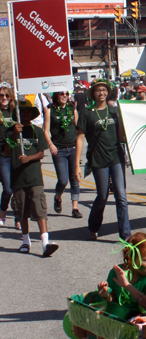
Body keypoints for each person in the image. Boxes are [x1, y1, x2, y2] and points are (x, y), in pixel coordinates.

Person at [75, 78, 131, 240]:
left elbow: (121, 137)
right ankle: (93, 226)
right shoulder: (87, 113)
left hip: (116, 157)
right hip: (98, 159)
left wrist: (120, 119)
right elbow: (80, 138)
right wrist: (77, 164)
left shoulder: (114, 111)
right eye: (98, 90)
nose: (102, 93)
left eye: (104, 90)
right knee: (102, 195)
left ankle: (125, 235)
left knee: (121, 196)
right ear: (93, 93)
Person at [4, 99, 59, 256]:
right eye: (22, 112)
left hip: (34, 176)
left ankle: (45, 242)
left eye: (28, 111)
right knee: (22, 210)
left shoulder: (37, 131)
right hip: (18, 177)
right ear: (18, 115)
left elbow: (41, 152)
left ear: (32, 114)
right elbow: (7, 151)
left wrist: (29, 158)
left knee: (39, 207)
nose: (25, 114)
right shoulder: (11, 131)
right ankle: (25, 241)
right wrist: (15, 133)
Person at [98, 231, 146, 313]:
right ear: (131, 258)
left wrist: (128, 286)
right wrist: (106, 296)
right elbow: (115, 298)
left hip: (141, 320)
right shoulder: (117, 273)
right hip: (122, 318)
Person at [43, 91, 82, 219]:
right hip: (58, 149)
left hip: (72, 148)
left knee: (75, 179)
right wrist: (50, 144)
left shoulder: (72, 109)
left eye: (66, 93)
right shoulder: (50, 110)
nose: (64, 96)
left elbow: (78, 129)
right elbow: (46, 130)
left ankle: (75, 208)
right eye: (61, 94)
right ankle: (58, 197)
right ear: (56, 96)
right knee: (63, 180)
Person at [0, 86, 21, 229]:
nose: (4, 99)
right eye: (1, 96)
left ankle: (18, 218)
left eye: (7, 96)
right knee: (8, 189)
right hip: (2, 155)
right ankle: (2, 211)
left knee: (18, 188)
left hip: (16, 153)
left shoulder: (15, 112)